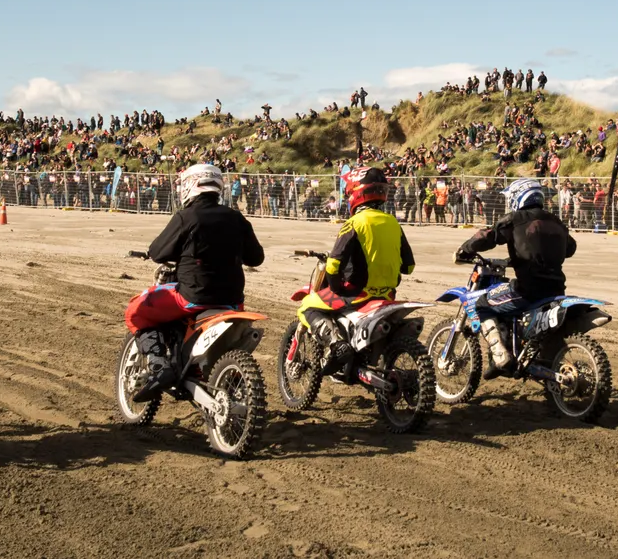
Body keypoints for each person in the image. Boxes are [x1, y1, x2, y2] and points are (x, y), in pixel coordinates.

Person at [124, 164, 264, 402]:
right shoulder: (236, 218)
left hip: (193, 297)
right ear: (218, 185)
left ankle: (159, 367)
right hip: (232, 301)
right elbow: (256, 258)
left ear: (190, 185)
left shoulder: (185, 216)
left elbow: (158, 252)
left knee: (136, 311)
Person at [454, 178, 576, 378]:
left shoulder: (515, 219)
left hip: (526, 289)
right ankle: (511, 355)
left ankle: (501, 355)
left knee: (482, 304)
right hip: (557, 289)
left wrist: (464, 249)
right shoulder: (556, 222)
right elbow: (570, 248)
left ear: (518, 196)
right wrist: (524, 256)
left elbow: (488, 236)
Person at [298, 167, 415, 373]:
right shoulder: (394, 223)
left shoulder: (354, 223)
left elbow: (334, 264)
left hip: (357, 294)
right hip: (387, 294)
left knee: (308, 306)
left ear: (356, 193)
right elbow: (409, 267)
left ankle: (337, 345)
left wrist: (337, 287)